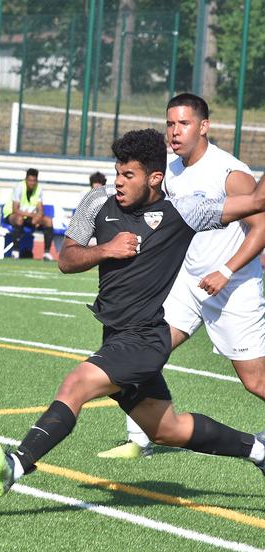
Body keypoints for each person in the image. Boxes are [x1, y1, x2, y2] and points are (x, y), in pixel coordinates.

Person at [0, 128, 265, 497]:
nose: (118, 182)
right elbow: (66, 260)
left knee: (76, 384)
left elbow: (256, 202)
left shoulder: (183, 210)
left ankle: (17, 463)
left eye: (128, 175)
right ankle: (259, 449)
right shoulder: (96, 202)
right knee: (168, 430)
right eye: (117, 172)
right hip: (116, 336)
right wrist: (106, 250)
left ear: (154, 178)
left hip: (145, 340)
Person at [99, 93, 265, 459]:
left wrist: (226, 270)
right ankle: (139, 438)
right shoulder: (170, 171)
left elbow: (260, 226)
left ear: (204, 126)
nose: (174, 132)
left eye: (184, 123)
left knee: (255, 380)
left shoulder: (229, 172)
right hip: (188, 286)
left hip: (232, 288)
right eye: (170, 123)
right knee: (143, 350)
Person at [2, 168, 54, 260]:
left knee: (48, 221)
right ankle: (15, 251)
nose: (32, 183)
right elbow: (15, 209)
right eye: (30, 180)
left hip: (28, 217)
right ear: (26, 179)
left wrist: (38, 217)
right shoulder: (19, 187)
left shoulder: (38, 188)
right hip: (12, 215)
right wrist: (34, 216)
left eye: (34, 181)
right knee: (19, 219)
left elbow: (40, 208)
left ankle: (46, 253)